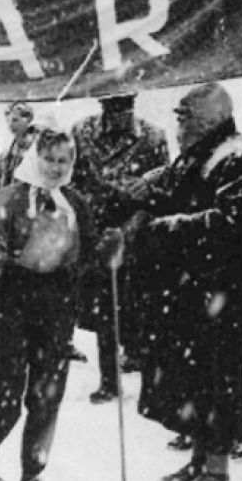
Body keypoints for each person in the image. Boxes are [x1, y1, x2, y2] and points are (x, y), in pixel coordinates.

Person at [119, 83, 242, 481]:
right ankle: (199, 460)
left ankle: (217, 472)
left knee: (217, 381)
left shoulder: (237, 157)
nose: (179, 124)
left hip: (221, 290)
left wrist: (163, 226)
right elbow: (180, 195)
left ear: (209, 119)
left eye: (185, 116)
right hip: (190, 289)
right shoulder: (200, 152)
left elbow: (230, 223)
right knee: (193, 380)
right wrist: (151, 193)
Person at [0, 129, 102, 481]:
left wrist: (106, 254)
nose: (56, 168)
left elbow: (90, 255)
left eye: (63, 161)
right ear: (34, 158)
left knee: (45, 399)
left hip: (56, 309)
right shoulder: (9, 197)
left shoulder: (75, 203)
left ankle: (32, 475)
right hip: (12, 304)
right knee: (3, 397)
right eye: (49, 159)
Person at [71, 91, 170, 404]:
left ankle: (148, 377)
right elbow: (72, 181)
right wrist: (86, 223)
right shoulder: (82, 132)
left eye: (125, 106)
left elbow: (162, 189)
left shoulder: (153, 137)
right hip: (97, 232)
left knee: (141, 308)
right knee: (105, 310)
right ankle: (109, 380)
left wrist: (132, 227)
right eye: (112, 107)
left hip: (138, 234)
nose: (119, 114)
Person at [0, 101, 42, 189]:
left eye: (15, 120)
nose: (11, 125)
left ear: (27, 120)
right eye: (8, 121)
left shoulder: (38, 143)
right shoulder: (10, 148)